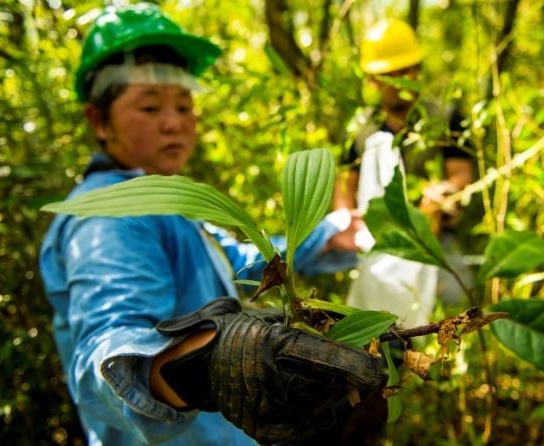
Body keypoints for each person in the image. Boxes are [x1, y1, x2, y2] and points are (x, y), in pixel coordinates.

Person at [39, 4, 380, 445]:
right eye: (149, 107)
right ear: (98, 120)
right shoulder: (110, 217)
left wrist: (326, 235)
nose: (174, 123)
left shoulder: (166, 207)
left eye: (184, 105)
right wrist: (202, 368)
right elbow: (102, 352)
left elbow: (234, 258)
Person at [336, 19, 475, 327]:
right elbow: (345, 184)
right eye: (390, 74)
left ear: (418, 69)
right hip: (378, 245)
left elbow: (461, 171)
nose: (401, 80)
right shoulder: (360, 129)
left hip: (434, 240)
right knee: (373, 324)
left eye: (407, 70)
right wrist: (347, 225)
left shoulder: (443, 117)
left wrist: (446, 191)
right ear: (373, 78)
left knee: (457, 308)